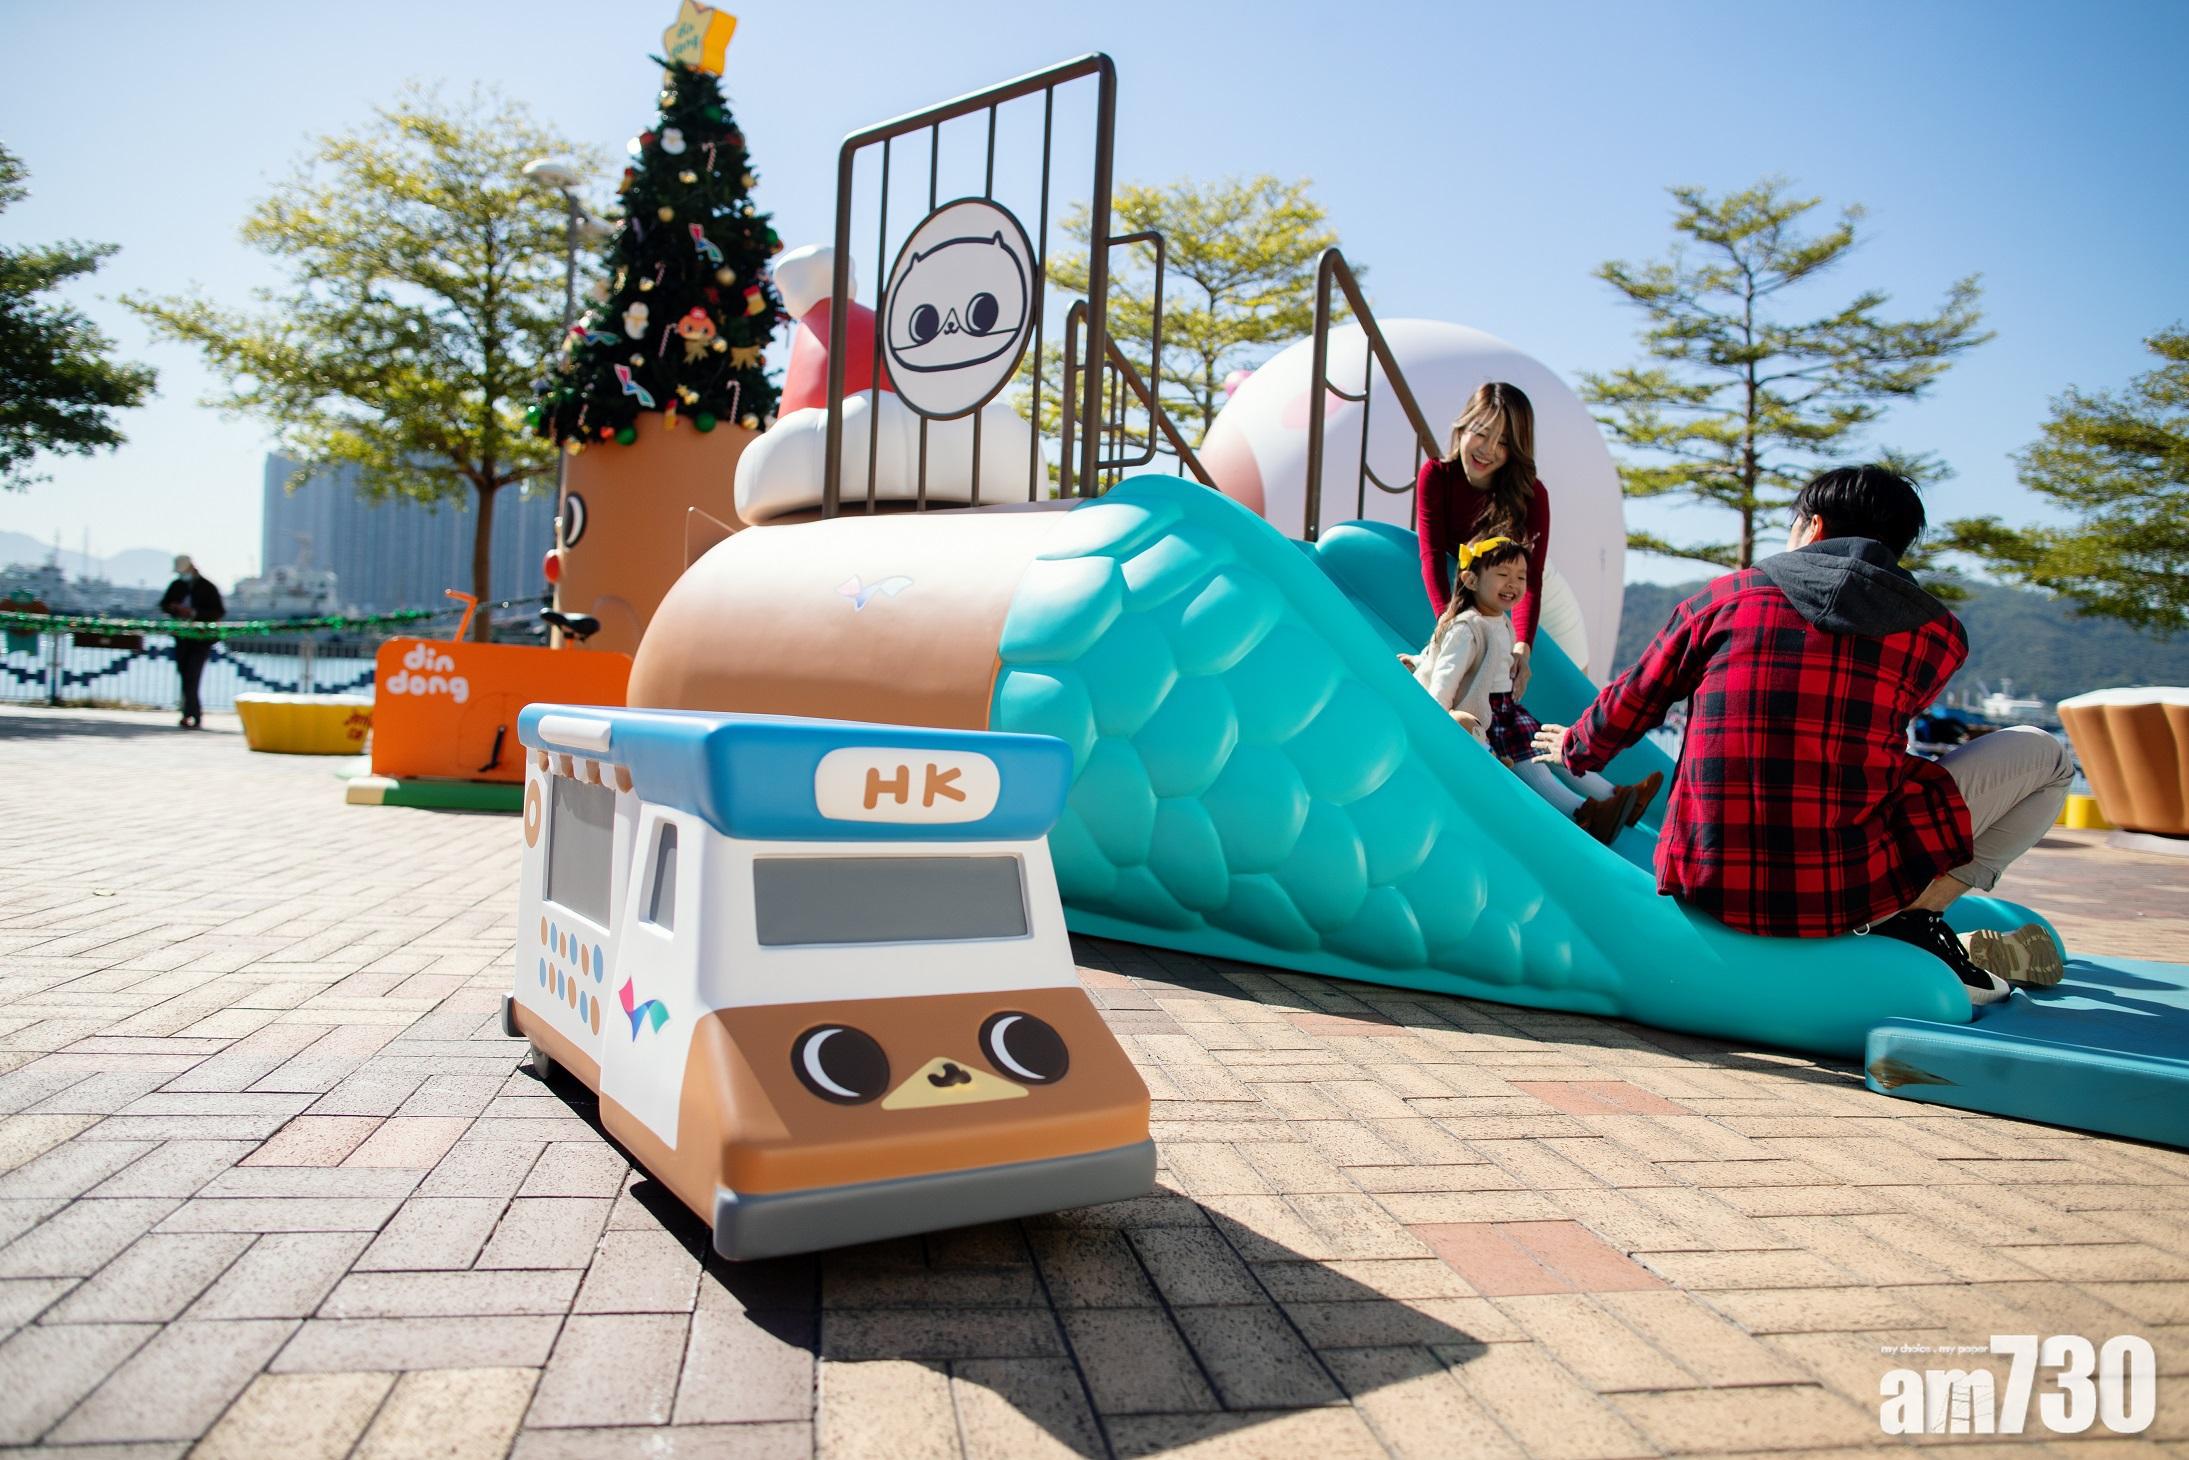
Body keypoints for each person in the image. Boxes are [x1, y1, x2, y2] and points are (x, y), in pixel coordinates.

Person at [1531, 465, 2070, 1005]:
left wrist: (1574, 746)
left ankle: (1909, 921)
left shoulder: (1722, 599)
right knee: (2050, 760)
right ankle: (1917, 914)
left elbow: (1632, 702)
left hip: (1706, 876)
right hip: (1845, 889)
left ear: (1813, 526)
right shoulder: (1937, 635)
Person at [1414, 533, 1661, 845]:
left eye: (1520, 577)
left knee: (1556, 750)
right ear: (1471, 580)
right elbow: (1445, 677)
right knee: (1536, 768)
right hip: (1487, 718)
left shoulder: (1500, 620)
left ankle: (1618, 797)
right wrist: (1439, 721)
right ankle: (1583, 813)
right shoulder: (1467, 627)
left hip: (1507, 710)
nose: (1513, 584)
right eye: (1503, 574)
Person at [1416, 382, 1551, 698]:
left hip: (1526, 580)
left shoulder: (1531, 494)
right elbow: (1431, 556)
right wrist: (1450, 624)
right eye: (1481, 433)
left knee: (1561, 676)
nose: (1488, 449)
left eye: (1503, 442)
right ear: (1462, 428)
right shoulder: (1436, 476)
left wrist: (1522, 648)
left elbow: (1531, 579)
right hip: (1477, 583)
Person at [159, 555, 223, 729]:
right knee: (185, 673)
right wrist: (173, 608)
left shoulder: (208, 587)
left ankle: (192, 713)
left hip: (201, 639)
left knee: (192, 675)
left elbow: (218, 611)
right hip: (181, 637)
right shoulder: (177, 585)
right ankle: (190, 712)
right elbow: (163, 604)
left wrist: (194, 613)